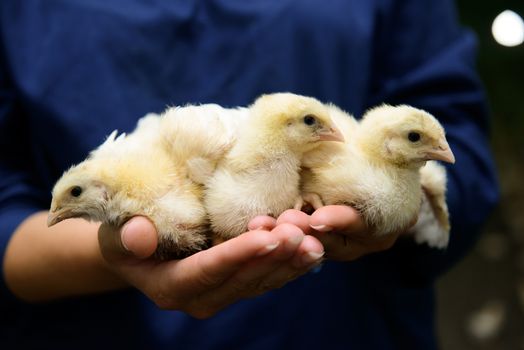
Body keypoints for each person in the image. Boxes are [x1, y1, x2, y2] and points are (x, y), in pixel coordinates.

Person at [0, 1, 498, 349]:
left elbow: (456, 139)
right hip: (93, 330)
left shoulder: (337, 153)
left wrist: (393, 213)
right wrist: (106, 254)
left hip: (341, 326)